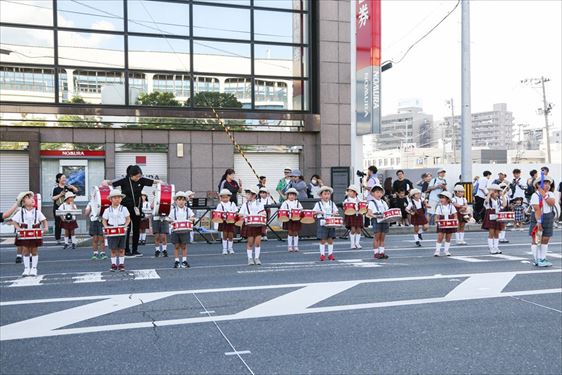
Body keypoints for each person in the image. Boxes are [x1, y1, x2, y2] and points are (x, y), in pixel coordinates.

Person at [103, 165, 162, 257]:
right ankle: (126, 250)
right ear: (131, 175)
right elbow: (110, 183)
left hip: (137, 208)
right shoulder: (124, 180)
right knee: (127, 228)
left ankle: (135, 249)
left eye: (139, 176)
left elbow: (155, 182)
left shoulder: (141, 180)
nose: (138, 178)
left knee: (136, 229)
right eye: (136, 176)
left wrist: (160, 182)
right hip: (126, 208)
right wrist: (105, 182)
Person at [12, 191, 48, 277]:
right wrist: (18, 228)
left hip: (35, 232)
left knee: (34, 250)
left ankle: (34, 268)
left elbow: (44, 220)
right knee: (25, 250)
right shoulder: (20, 212)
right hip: (24, 232)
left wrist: (45, 227)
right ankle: (26, 268)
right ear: (23, 203)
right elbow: (14, 221)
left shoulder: (37, 212)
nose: (32, 199)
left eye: (32, 198)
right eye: (29, 198)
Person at [529, 176, 556, 267]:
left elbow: (551, 203)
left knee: (545, 238)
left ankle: (542, 258)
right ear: (538, 185)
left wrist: (544, 194)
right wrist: (539, 221)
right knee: (536, 239)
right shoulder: (535, 195)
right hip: (537, 217)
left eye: (548, 183)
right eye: (545, 183)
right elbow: (537, 209)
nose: (547, 185)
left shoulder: (550, 194)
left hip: (548, 216)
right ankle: (537, 259)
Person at [102, 190, 131, 272]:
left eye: (119, 197)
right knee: (113, 249)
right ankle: (114, 264)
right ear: (111, 199)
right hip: (111, 229)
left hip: (121, 228)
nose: (117, 199)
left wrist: (125, 225)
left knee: (122, 248)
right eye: (115, 198)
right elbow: (104, 220)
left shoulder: (124, 208)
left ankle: (121, 264)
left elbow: (128, 219)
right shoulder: (107, 210)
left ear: (121, 199)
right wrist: (106, 227)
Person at [238, 187, 266, 265]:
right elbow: (240, 214)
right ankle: (250, 258)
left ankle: (257, 258)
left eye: (248, 194)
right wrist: (243, 216)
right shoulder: (245, 204)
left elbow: (263, 213)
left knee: (257, 242)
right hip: (249, 224)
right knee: (250, 242)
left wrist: (262, 214)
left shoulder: (260, 204)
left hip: (258, 225)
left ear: (254, 195)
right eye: (246, 193)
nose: (246, 195)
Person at [168, 192, 195, 269]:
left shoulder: (188, 210)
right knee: (176, 246)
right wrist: (169, 220)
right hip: (175, 230)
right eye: (179, 200)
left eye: (183, 200)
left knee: (184, 246)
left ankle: (184, 261)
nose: (181, 201)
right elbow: (170, 218)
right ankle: (176, 261)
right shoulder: (173, 210)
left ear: (185, 201)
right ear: (176, 201)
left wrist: (191, 219)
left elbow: (192, 216)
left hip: (185, 230)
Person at [51, 173, 78, 245]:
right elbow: (53, 198)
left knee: (69, 222)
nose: (64, 179)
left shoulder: (68, 187)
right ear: (58, 179)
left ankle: (69, 238)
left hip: (68, 208)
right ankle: (58, 239)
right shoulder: (55, 188)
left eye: (65, 178)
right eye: (63, 178)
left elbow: (75, 191)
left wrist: (73, 187)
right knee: (58, 223)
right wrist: (60, 194)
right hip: (58, 207)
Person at [313, 186, 339, 261]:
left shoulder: (332, 203)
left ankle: (330, 254)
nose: (327, 196)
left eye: (328, 194)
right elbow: (314, 212)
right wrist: (319, 212)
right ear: (321, 195)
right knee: (322, 239)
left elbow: (336, 211)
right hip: (322, 221)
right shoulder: (318, 204)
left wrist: (334, 213)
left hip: (330, 221)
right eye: (325, 194)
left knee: (330, 239)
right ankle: (322, 254)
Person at [481, 184, 507, 255]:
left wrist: (502, 195)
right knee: (491, 232)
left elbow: (504, 205)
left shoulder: (498, 200)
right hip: (490, 215)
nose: (496, 194)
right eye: (495, 192)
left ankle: (496, 247)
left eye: (497, 192)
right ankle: (491, 248)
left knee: (497, 232)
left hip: (497, 215)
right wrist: (489, 193)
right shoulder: (488, 199)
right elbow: (486, 202)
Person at [367, 185, 389, 259]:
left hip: (384, 219)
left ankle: (382, 252)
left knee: (382, 237)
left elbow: (387, 211)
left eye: (380, 192)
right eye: (377, 192)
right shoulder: (371, 202)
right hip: (376, 219)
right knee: (377, 237)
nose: (379, 194)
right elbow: (369, 213)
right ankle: (376, 253)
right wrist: (375, 216)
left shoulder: (383, 202)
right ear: (373, 193)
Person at [280, 188, 303, 252]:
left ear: (295, 196)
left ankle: (296, 246)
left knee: (296, 232)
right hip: (289, 219)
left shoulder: (297, 202)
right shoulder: (285, 203)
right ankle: (289, 246)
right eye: (290, 195)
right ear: (287, 195)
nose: (292, 196)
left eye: (293, 195)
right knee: (290, 232)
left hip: (296, 219)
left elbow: (301, 209)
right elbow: (282, 210)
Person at [434, 191, 457, 257]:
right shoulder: (439, 207)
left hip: (450, 222)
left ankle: (446, 250)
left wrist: (455, 220)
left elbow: (455, 214)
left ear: (447, 199)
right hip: (442, 222)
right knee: (440, 236)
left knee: (448, 237)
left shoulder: (451, 206)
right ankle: (437, 251)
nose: (441, 199)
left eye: (443, 198)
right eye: (440, 198)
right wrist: (436, 220)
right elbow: (437, 215)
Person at [84, 193, 106, 260]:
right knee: (95, 238)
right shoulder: (90, 203)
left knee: (102, 238)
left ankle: (102, 253)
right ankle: (95, 253)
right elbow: (86, 214)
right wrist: (89, 209)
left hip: (101, 220)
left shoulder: (102, 202)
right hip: (93, 221)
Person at [216, 189, 237, 255]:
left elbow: (235, 212)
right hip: (223, 221)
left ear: (229, 197)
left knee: (231, 235)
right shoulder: (220, 205)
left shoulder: (232, 204)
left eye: (226, 197)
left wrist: (233, 215)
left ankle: (230, 248)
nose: (225, 199)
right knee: (224, 235)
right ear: (221, 198)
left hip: (231, 221)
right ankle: (224, 249)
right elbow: (217, 213)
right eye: (223, 197)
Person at [343, 185, 364, 249]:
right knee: (353, 229)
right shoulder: (347, 200)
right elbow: (344, 207)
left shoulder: (359, 199)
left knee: (359, 229)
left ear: (355, 192)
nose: (348, 192)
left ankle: (357, 243)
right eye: (348, 191)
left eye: (350, 191)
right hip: (351, 215)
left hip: (358, 214)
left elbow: (363, 206)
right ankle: (352, 244)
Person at [151, 190, 169, 258]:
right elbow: (152, 206)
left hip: (164, 218)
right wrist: (156, 198)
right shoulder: (155, 198)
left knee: (163, 236)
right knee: (157, 236)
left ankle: (164, 250)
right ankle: (157, 250)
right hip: (156, 217)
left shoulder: (166, 198)